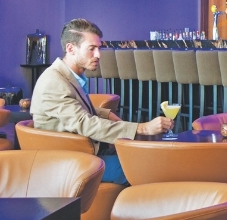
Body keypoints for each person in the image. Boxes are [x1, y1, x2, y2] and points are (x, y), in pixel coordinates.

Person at [31, 19, 173, 185]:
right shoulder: (53, 82)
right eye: (92, 48)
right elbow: (84, 123)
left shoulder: (69, 76)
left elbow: (77, 111)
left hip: (86, 152)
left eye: (99, 48)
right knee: (149, 166)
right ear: (71, 49)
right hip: (71, 161)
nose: (98, 55)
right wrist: (143, 128)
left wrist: (107, 114)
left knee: (153, 157)